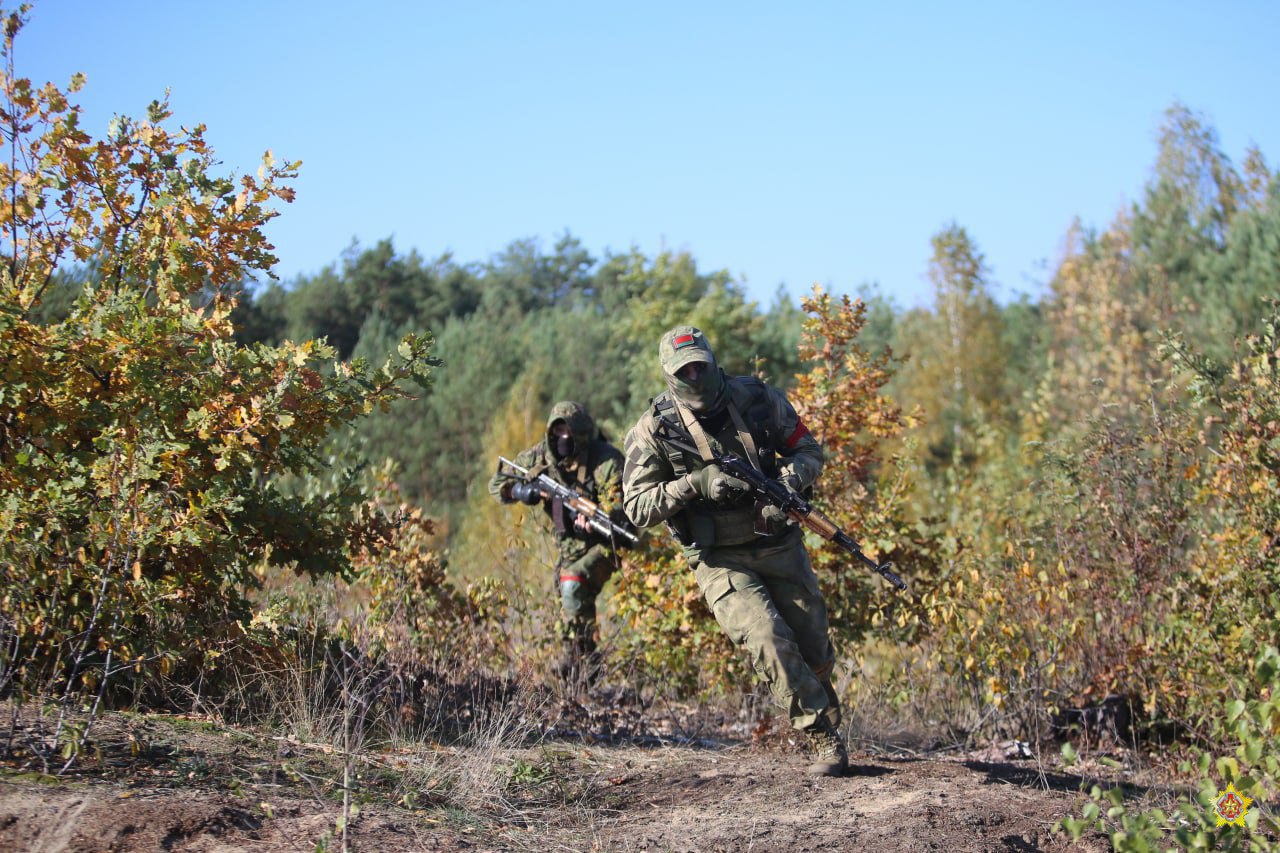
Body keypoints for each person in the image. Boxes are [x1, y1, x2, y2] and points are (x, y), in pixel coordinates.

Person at [621, 325, 848, 776]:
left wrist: (786, 484)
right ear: (669, 374)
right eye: (683, 371)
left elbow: (808, 451)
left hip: (777, 542)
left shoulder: (759, 400)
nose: (694, 376)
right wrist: (694, 484)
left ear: (711, 361)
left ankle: (821, 699)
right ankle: (822, 734)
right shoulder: (655, 429)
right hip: (717, 556)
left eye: (699, 366)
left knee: (814, 646)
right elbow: (636, 507)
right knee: (766, 636)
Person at [489, 401, 635, 682]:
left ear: (582, 435)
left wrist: (597, 517)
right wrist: (522, 490)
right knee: (566, 605)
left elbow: (621, 507)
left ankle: (584, 667)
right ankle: (581, 669)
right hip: (568, 546)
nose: (563, 439)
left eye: (569, 433)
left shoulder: (606, 461)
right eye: (557, 432)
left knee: (573, 584)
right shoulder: (539, 458)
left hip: (608, 544)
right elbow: (497, 483)